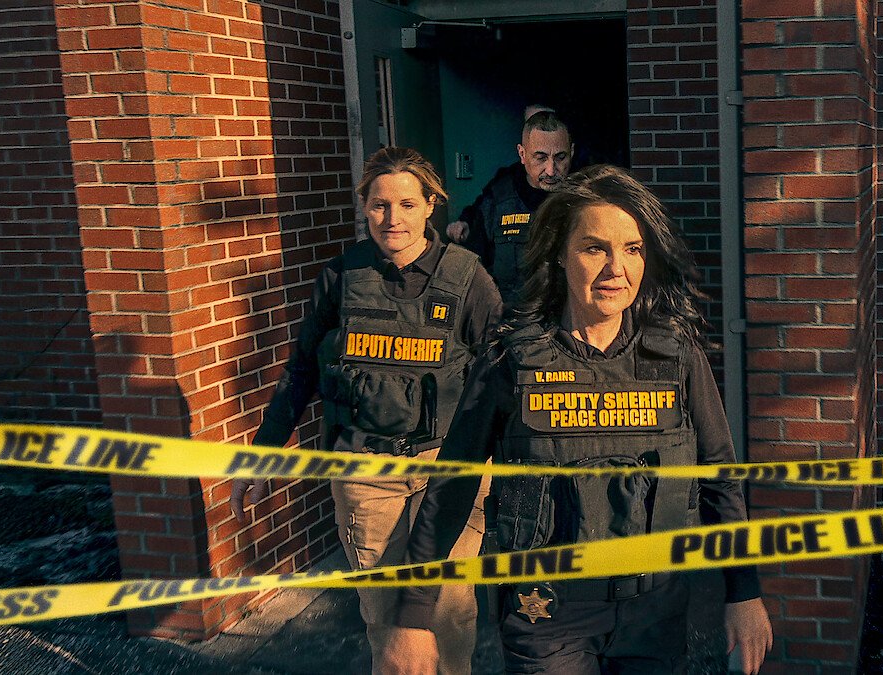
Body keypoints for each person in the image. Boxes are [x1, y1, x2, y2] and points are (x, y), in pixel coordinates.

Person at [380, 165, 773, 674]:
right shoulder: (511, 362)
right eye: (594, 249)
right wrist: (413, 614)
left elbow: (719, 475)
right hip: (547, 616)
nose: (616, 269)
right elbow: (453, 484)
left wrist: (744, 593)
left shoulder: (677, 357)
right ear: (560, 255)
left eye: (633, 249)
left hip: (655, 612)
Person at [232, 147, 502, 675]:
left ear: (431, 206)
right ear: (364, 207)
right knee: (385, 620)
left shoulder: (469, 279)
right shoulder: (341, 276)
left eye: (407, 204)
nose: (392, 218)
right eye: (379, 205)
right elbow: (301, 370)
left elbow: (499, 379)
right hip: (364, 473)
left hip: (447, 470)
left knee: (448, 614)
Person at [445, 107, 574, 305]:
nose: (550, 170)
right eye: (540, 158)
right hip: (510, 315)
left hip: (565, 315)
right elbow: (474, 270)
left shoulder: (583, 198)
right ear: (522, 154)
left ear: (572, 152)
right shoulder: (500, 196)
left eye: (560, 157)